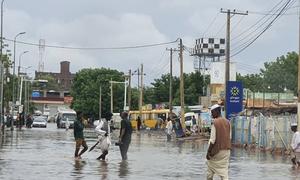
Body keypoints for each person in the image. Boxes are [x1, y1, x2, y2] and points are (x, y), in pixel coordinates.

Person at [206, 104, 231, 180]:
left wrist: (208, 152)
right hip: (226, 151)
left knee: (210, 168)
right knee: (224, 171)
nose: (211, 114)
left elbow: (212, 140)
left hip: (217, 152)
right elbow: (230, 137)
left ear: (217, 112)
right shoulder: (228, 122)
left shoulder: (215, 123)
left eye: (212, 112)